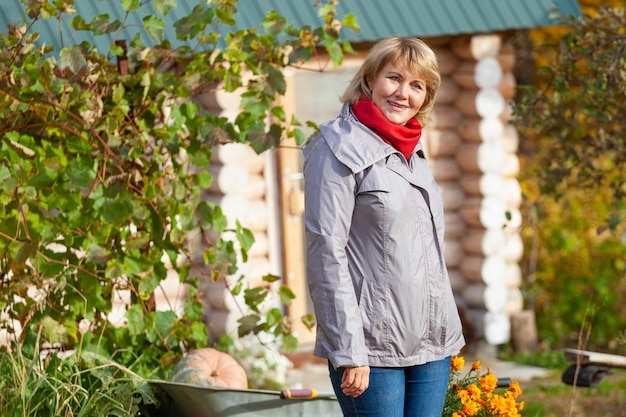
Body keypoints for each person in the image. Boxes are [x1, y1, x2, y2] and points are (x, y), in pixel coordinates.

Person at [303, 37, 465, 417]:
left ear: (426, 96)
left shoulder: (413, 149)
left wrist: (446, 332)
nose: (403, 94)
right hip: (371, 350)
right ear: (370, 78)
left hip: (430, 346)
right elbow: (326, 253)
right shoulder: (335, 148)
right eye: (394, 78)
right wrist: (348, 350)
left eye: (417, 85)